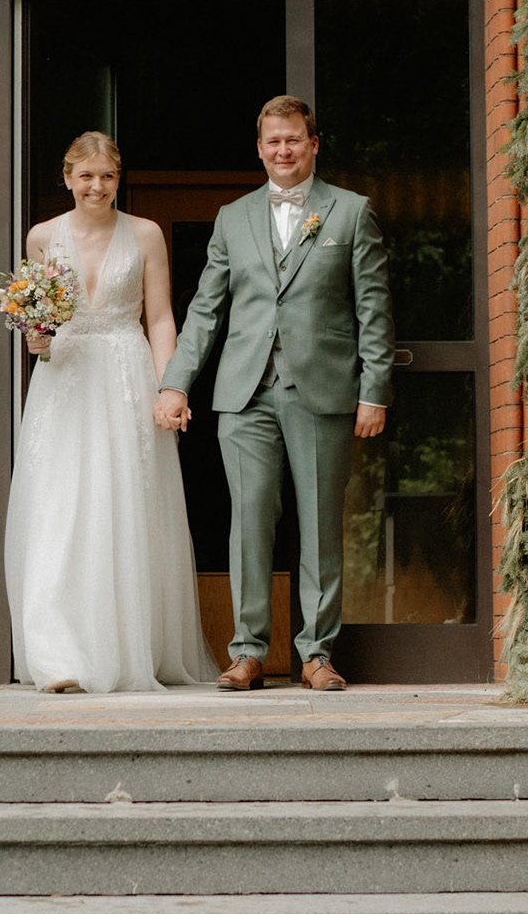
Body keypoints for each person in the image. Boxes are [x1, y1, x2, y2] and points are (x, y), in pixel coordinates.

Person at [156, 95, 393, 691]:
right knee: (249, 523)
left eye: (293, 139)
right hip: (245, 393)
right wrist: (175, 382)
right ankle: (249, 653)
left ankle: (316, 653)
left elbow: (374, 310)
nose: (282, 150)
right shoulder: (232, 217)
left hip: (322, 390)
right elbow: (205, 309)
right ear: (259, 148)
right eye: (272, 141)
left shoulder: (351, 212)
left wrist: (375, 390)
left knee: (319, 525)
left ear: (313, 145)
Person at [4, 131, 218, 694]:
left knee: (125, 504)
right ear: (67, 178)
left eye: (108, 176)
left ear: (118, 179)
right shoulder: (42, 236)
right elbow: (37, 316)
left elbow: (162, 318)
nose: (96, 187)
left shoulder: (145, 234)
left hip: (126, 373)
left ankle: (124, 651)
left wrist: (171, 389)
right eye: (86, 176)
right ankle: (59, 658)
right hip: (65, 381)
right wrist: (37, 338)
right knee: (60, 507)